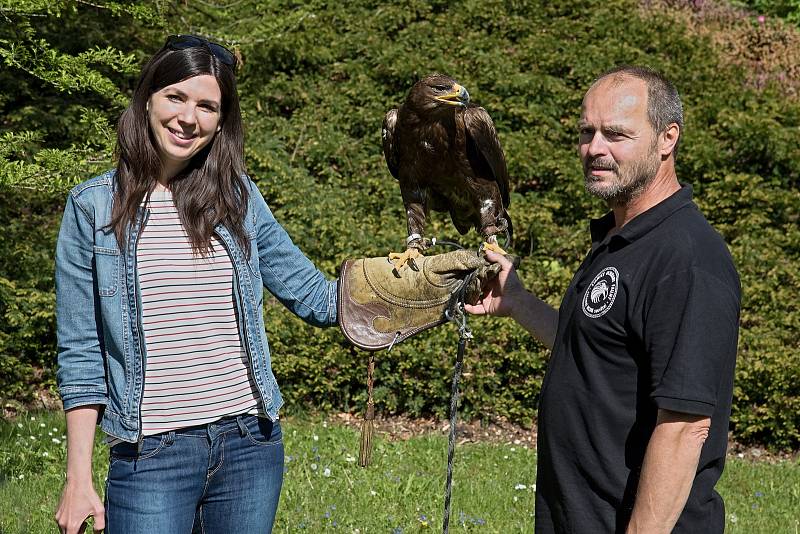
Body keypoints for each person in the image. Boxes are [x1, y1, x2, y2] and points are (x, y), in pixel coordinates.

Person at [54, 35, 337, 534]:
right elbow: (81, 352)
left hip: (250, 444)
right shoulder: (92, 208)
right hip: (152, 456)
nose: (189, 118)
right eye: (176, 97)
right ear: (147, 98)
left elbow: (315, 296)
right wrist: (78, 477)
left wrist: (423, 283)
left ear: (222, 121)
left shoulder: (237, 198)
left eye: (208, 106)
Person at [467, 66, 741, 533]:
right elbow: (596, 353)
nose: (595, 148)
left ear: (666, 138)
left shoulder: (687, 260)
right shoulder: (622, 240)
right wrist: (518, 301)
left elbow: (684, 426)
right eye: (586, 132)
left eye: (615, 134)